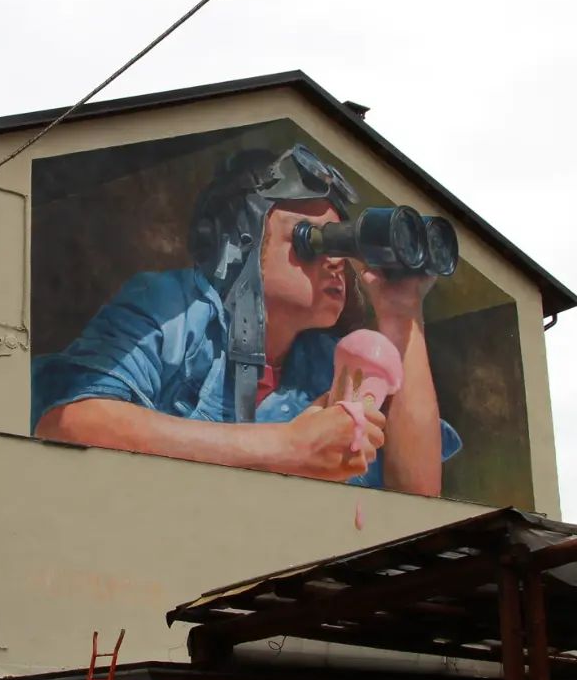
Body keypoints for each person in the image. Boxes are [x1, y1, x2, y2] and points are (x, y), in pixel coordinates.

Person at [32, 143, 459, 497]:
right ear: (241, 243)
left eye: (342, 244)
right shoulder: (176, 311)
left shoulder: (331, 364)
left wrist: (402, 313)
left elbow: (417, 497)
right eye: (311, 239)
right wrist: (284, 448)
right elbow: (70, 423)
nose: (336, 262)